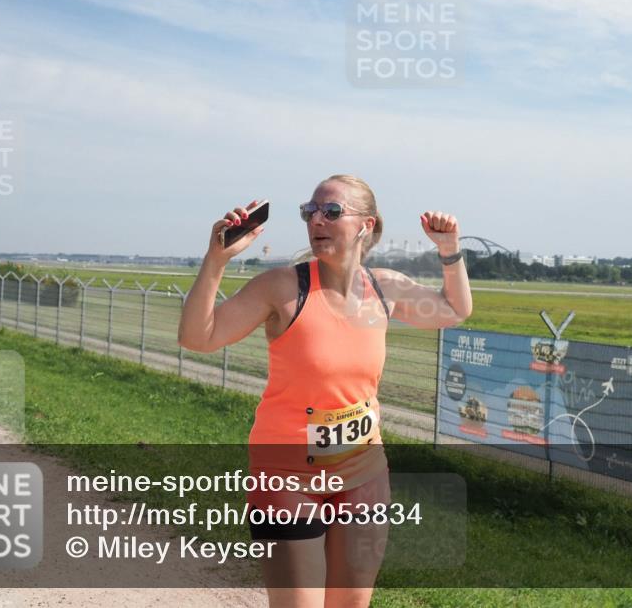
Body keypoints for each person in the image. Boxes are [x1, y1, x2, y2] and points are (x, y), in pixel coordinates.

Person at [177, 174, 472, 608]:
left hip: (363, 471)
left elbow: (455, 309)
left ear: (366, 225)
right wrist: (216, 260)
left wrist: (449, 249)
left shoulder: (383, 288)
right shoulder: (283, 288)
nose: (317, 220)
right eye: (309, 211)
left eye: (332, 212)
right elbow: (196, 337)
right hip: (287, 477)